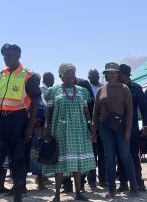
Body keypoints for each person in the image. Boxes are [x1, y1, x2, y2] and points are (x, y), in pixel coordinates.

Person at [43, 63, 96, 202]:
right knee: (60, 163)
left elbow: (85, 110)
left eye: (73, 73)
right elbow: (48, 110)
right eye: (67, 73)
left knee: (77, 162)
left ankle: (78, 193)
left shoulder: (81, 91)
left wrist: (90, 124)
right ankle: (57, 195)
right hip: (60, 131)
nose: (71, 76)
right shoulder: (54, 91)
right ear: (61, 76)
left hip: (78, 130)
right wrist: (46, 126)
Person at [0, 44, 41, 202]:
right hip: (1, 120)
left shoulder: (27, 76)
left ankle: (18, 194)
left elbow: (36, 99)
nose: (6, 59)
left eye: (9, 56)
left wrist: (31, 125)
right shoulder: (2, 74)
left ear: (18, 57)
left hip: (18, 120)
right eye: (4, 56)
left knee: (18, 158)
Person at [93, 62, 138, 198]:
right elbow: (95, 111)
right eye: (109, 72)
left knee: (125, 156)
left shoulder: (125, 88)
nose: (112, 75)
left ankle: (134, 188)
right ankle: (111, 190)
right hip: (104, 126)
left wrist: (129, 129)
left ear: (118, 74)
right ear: (106, 75)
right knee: (109, 158)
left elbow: (130, 111)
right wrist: (94, 129)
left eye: (114, 72)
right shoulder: (101, 90)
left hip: (122, 126)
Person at [118, 64, 147, 192]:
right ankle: (123, 182)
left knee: (134, 155)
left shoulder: (136, 88)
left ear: (127, 75)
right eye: (121, 75)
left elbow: (144, 108)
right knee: (120, 155)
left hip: (134, 127)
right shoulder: (116, 87)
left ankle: (138, 181)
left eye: (123, 75)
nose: (121, 77)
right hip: (118, 127)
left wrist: (146, 125)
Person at [30, 72, 55, 190]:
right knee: (35, 155)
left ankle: (41, 179)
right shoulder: (40, 91)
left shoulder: (40, 92)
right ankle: (39, 180)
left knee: (38, 154)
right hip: (33, 128)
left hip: (39, 127)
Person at [87, 69, 106, 188]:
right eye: (92, 75)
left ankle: (103, 179)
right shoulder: (86, 89)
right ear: (89, 77)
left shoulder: (103, 88)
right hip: (91, 125)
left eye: (96, 75)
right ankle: (92, 180)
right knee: (92, 154)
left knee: (103, 153)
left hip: (103, 124)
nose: (95, 77)